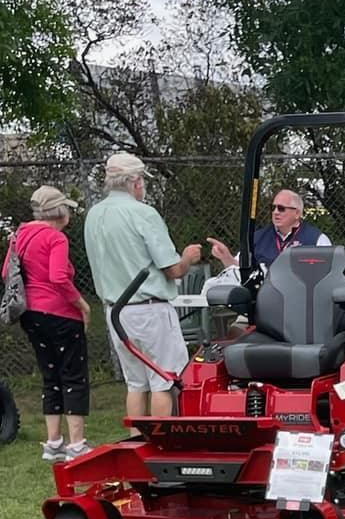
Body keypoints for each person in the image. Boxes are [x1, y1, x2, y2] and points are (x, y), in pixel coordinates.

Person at [81, 152, 203, 423]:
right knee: (163, 378)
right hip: (150, 309)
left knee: (135, 383)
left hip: (116, 311)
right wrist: (188, 257)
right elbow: (172, 269)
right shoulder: (143, 214)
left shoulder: (93, 216)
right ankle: (161, 440)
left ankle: (137, 441)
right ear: (135, 181)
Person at [7, 186, 92, 461]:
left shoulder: (19, 236)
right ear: (60, 210)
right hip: (60, 313)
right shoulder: (56, 238)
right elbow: (58, 277)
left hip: (30, 313)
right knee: (73, 374)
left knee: (51, 374)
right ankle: (77, 444)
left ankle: (54, 442)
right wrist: (80, 303)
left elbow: (6, 271)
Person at [208, 189, 331, 273]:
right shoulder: (257, 238)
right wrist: (226, 257)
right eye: (273, 207)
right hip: (264, 301)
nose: (276, 212)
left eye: (281, 208)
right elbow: (238, 270)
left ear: (297, 213)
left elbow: (327, 273)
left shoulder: (317, 239)